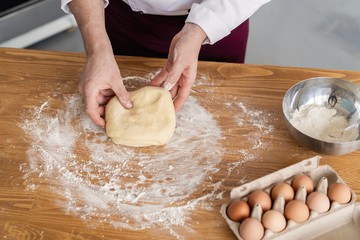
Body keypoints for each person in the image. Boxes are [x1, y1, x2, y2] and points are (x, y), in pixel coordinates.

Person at [61, 0, 270, 127]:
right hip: (121, 20)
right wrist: (98, 49)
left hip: (218, 20)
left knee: (227, 117)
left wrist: (199, 30)